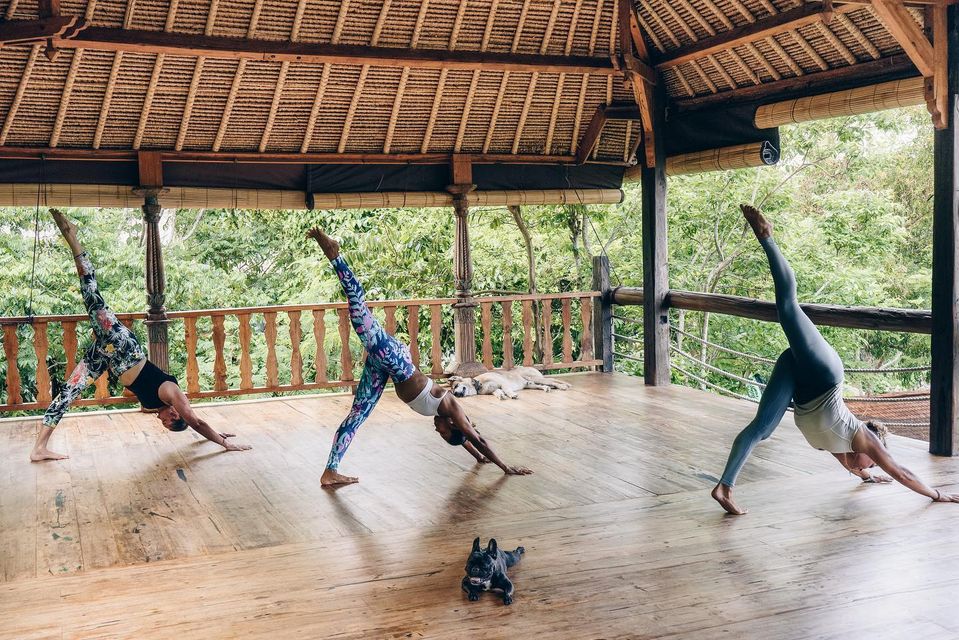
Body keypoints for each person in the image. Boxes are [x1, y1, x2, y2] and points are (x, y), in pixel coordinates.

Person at [710, 205, 959, 514]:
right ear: (873, 450)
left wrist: (868, 477)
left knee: (761, 429)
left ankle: (724, 486)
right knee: (787, 309)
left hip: (799, 381)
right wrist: (937, 495)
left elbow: (859, 470)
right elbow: (900, 471)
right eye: (870, 462)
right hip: (825, 374)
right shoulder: (864, 439)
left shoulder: (840, 452)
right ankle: (766, 236)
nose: (866, 465)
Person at [306, 227, 533, 486]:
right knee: (358, 310)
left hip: (385, 369)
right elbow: (476, 437)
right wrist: (505, 467)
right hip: (395, 360)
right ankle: (335, 255)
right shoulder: (452, 408)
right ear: (452, 424)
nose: (438, 430)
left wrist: (478, 458)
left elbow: (469, 439)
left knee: (357, 415)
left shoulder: (454, 421)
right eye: (443, 432)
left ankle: (330, 471)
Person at [30, 210, 252, 462]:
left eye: (165, 424)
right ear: (175, 413)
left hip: (106, 356)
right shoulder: (172, 393)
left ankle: (39, 448)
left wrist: (214, 433)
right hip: (122, 346)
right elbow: (195, 420)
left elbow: (194, 424)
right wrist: (224, 443)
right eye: (169, 421)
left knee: (68, 392)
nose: (162, 420)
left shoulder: (160, 406)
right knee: (91, 295)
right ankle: (73, 239)